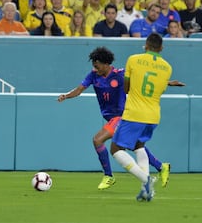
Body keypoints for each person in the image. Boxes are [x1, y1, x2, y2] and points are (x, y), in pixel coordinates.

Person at [57, 45, 184, 190]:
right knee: (136, 145)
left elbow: (141, 79)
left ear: (106, 64)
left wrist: (169, 82)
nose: (95, 69)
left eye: (97, 66)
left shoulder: (119, 74)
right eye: (93, 66)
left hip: (121, 116)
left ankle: (108, 176)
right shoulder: (93, 75)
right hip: (111, 118)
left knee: (97, 140)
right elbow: (79, 89)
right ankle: (161, 167)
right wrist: (66, 96)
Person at [110, 33, 173, 201]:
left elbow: (126, 88)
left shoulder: (133, 59)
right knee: (139, 146)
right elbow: (160, 90)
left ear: (145, 45)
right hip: (153, 116)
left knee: (115, 149)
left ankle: (146, 180)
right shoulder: (167, 67)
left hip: (134, 113)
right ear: (161, 48)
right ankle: (146, 192)